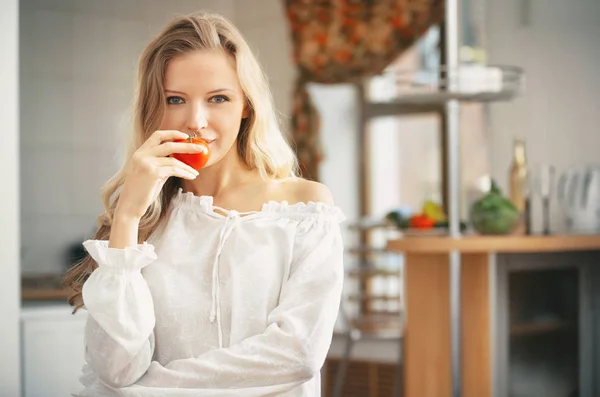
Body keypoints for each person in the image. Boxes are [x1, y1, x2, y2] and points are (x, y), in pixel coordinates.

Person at [63, 11, 345, 397]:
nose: (195, 121)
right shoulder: (145, 216)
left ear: (246, 104)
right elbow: (115, 367)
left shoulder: (304, 208)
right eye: (175, 99)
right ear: (154, 107)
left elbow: (297, 355)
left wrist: (142, 390)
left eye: (218, 99)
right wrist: (127, 215)